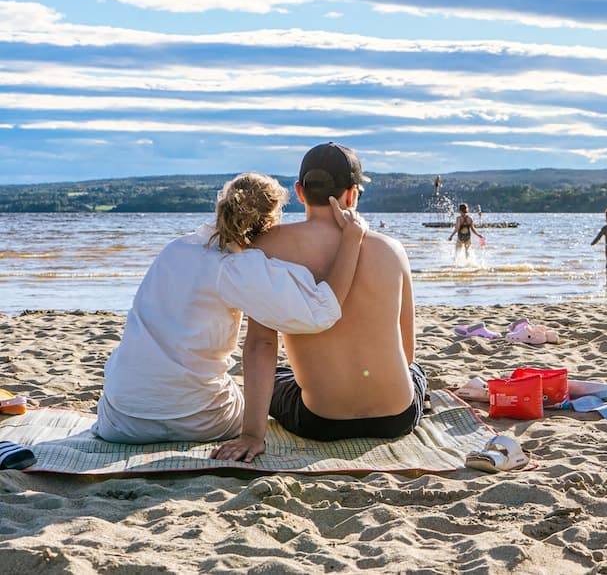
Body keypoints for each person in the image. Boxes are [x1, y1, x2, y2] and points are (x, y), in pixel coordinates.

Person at [93, 173, 365, 444]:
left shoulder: (175, 249)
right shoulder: (235, 267)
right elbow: (319, 312)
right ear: (269, 224)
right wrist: (351, 240)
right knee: (259, 400)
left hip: (121, 420)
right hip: (197, 419)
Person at [211, 143, 426, 463]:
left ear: (299, 192)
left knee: (281, 380)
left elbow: (261, 346)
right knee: (418, 373)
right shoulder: (392, 249)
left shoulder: (267, 246)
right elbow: (406, 354)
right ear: (352, 195)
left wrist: (252, 434)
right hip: (396, 418)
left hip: (322, 421)